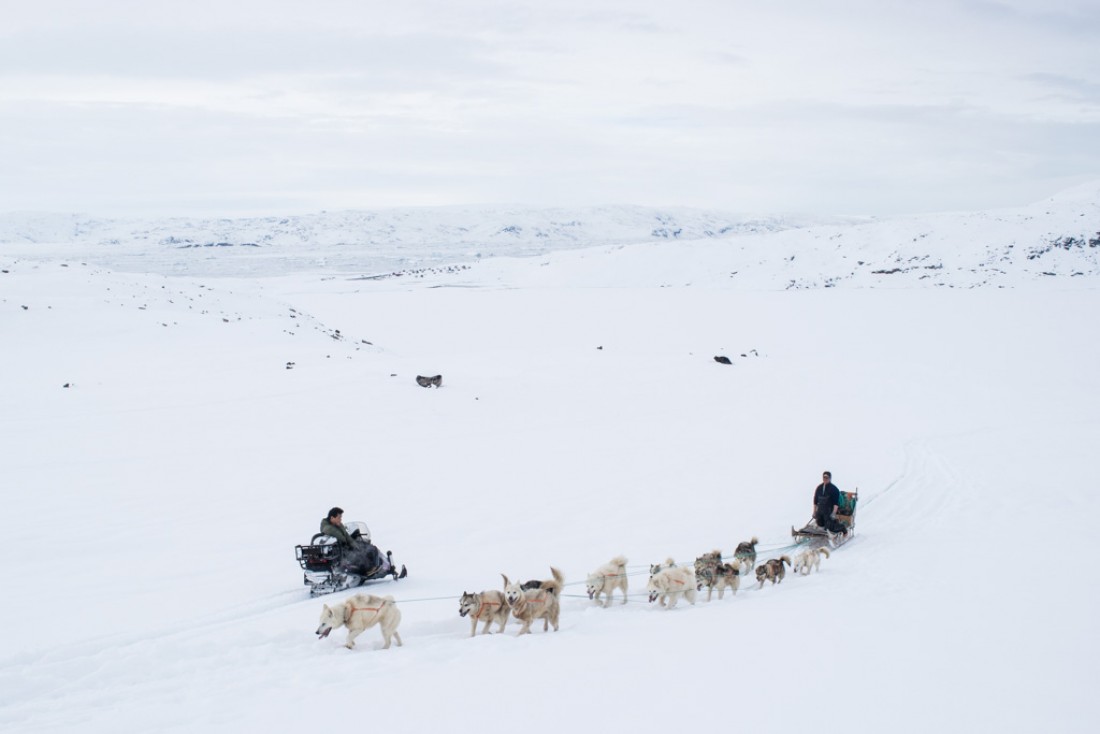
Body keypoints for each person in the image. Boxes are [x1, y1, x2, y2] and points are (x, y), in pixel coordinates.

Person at [319, 506, 392, 578]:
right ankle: (368, 570)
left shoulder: (336, 525)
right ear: (332, 518)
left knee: (367, 547)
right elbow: (343, 539)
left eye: (341, 517)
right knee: (361, 553)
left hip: (343, 547)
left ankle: (380, 566)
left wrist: (355, 544)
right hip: (342, 551)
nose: (340, 520)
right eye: (339, 518)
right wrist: (354, 546)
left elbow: (347, 537)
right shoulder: (329, 528)